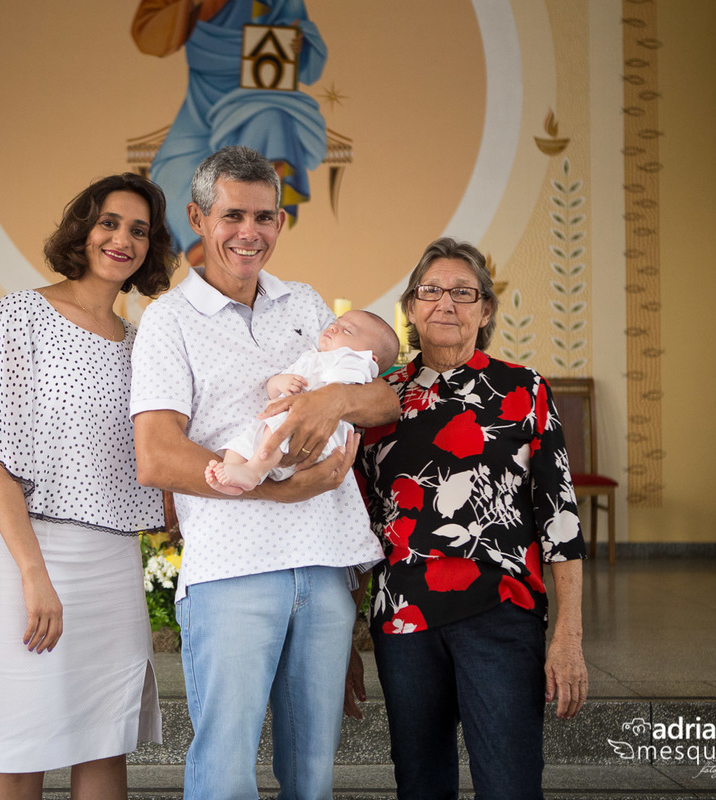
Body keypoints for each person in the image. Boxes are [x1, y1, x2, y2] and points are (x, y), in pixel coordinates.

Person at [130, 145, 398, 799]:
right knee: (224, 770)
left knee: (312, 776)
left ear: (280, 223)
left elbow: (384, 398)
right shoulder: (169, 321)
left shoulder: (306, 305)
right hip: (231, 571)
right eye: (231, 216)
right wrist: (279, 489)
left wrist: (332, 400)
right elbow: (156, 454)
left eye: (264, 217)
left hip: (325, 568)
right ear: (198, 216)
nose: (248, 233)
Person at [346, 237, 589, 799]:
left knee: (510, 784)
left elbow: (561, 520)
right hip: (403, 618)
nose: (446, 304)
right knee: (421, 785)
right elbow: (352, 527)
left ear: (485, 310)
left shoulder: (523, 389)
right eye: (430, 291)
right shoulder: (378, 397)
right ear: (410, 308)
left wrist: (569, 638)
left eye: (463, 292)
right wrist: (345, 641)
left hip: (500, 612)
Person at [0, 173, 177, 799]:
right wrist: (34, 573)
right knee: (19, 747)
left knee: (104, 745)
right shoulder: (20, 313)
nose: (122, 239)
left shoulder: (143, 344)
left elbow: (158, 456)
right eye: (109, 222)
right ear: (82, 230)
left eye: (139, 230)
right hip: (25, 552)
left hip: (112, 560)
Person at [132, 0, 328, 260]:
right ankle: (207, 271)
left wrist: (297, 41)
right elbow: (149, 37)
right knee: (170, 177)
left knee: (270, 126)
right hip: (201, 102)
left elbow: (297, 31)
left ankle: (231, 258)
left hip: (255, 96)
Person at [206, 309, 399, 492]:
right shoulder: (313, 356)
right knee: (244, 439)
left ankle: (253, 471)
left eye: (347, 330)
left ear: (369, 356)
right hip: (284, 424)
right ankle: (233, 473)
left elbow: (338, 392)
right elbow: (273, 391)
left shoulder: (353, 361)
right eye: (335, 322)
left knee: (278, 428)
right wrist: (279, 382)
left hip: (316, 433)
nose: (333, 327)